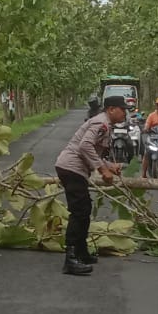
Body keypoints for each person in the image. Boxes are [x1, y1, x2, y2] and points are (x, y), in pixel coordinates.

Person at [55, 95, 127, 276]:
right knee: (79, 212)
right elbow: (84, 146)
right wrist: (103, 170)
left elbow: (93, 152)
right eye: (122, 109)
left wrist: (110, 166)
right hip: (71, 168)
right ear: (111, 109)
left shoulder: (105, 125)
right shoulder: (101, 123)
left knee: (85, 210)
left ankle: (81, 252)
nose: (125, 113)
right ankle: (70, 260)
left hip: (74, 169)